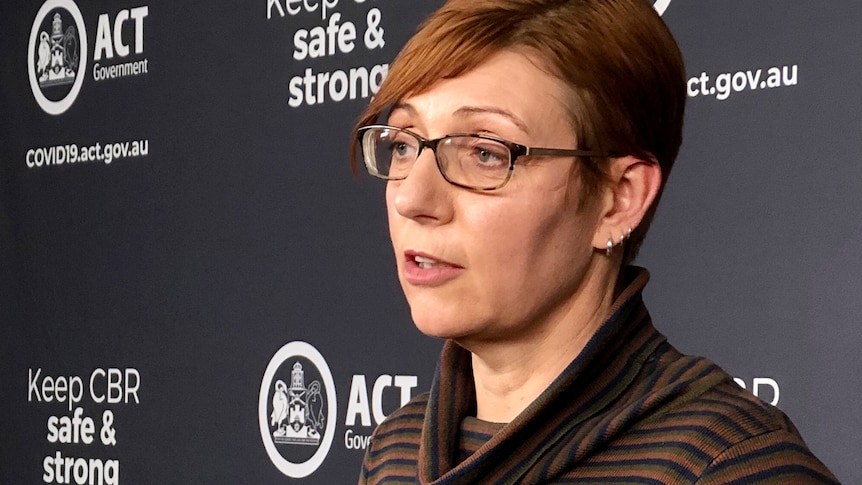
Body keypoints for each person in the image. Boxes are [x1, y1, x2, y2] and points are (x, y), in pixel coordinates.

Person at [351, 0, 839, 483]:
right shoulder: (396, 448)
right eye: (402, 143)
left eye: (485, 152)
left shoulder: (731, 467)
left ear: (617, 200)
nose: (411, 197)